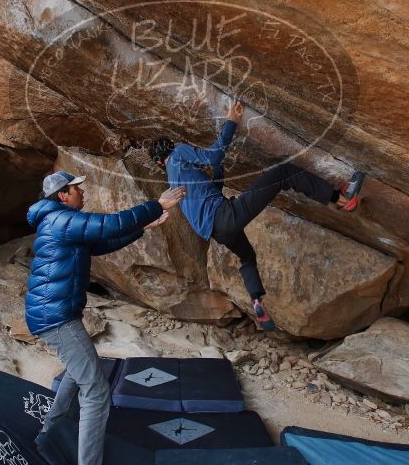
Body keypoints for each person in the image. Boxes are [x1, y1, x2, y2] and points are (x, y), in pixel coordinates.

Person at [148, 102, 365, 331]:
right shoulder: (177, 153)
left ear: (158, 163)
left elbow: (214, 188)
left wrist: (219, 169)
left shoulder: (173, 181)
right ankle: (342, 199)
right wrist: (231, 121)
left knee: (248, 258)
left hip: (218, 232)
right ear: (168, 150)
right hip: (225, 215)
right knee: (283, 173)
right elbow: (212, 157)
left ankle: (257, 301)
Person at [25, 170, 185, 465]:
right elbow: (109, 224)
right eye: (76, 189)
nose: (82, 192)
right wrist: (156, 204)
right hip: (56, 319)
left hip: (55, 315)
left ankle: (48, 430)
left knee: (78, 371)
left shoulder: (58, 222)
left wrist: (143, 227)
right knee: (96, 390)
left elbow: (102, 242)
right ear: (62, 195)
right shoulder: (62, 219)